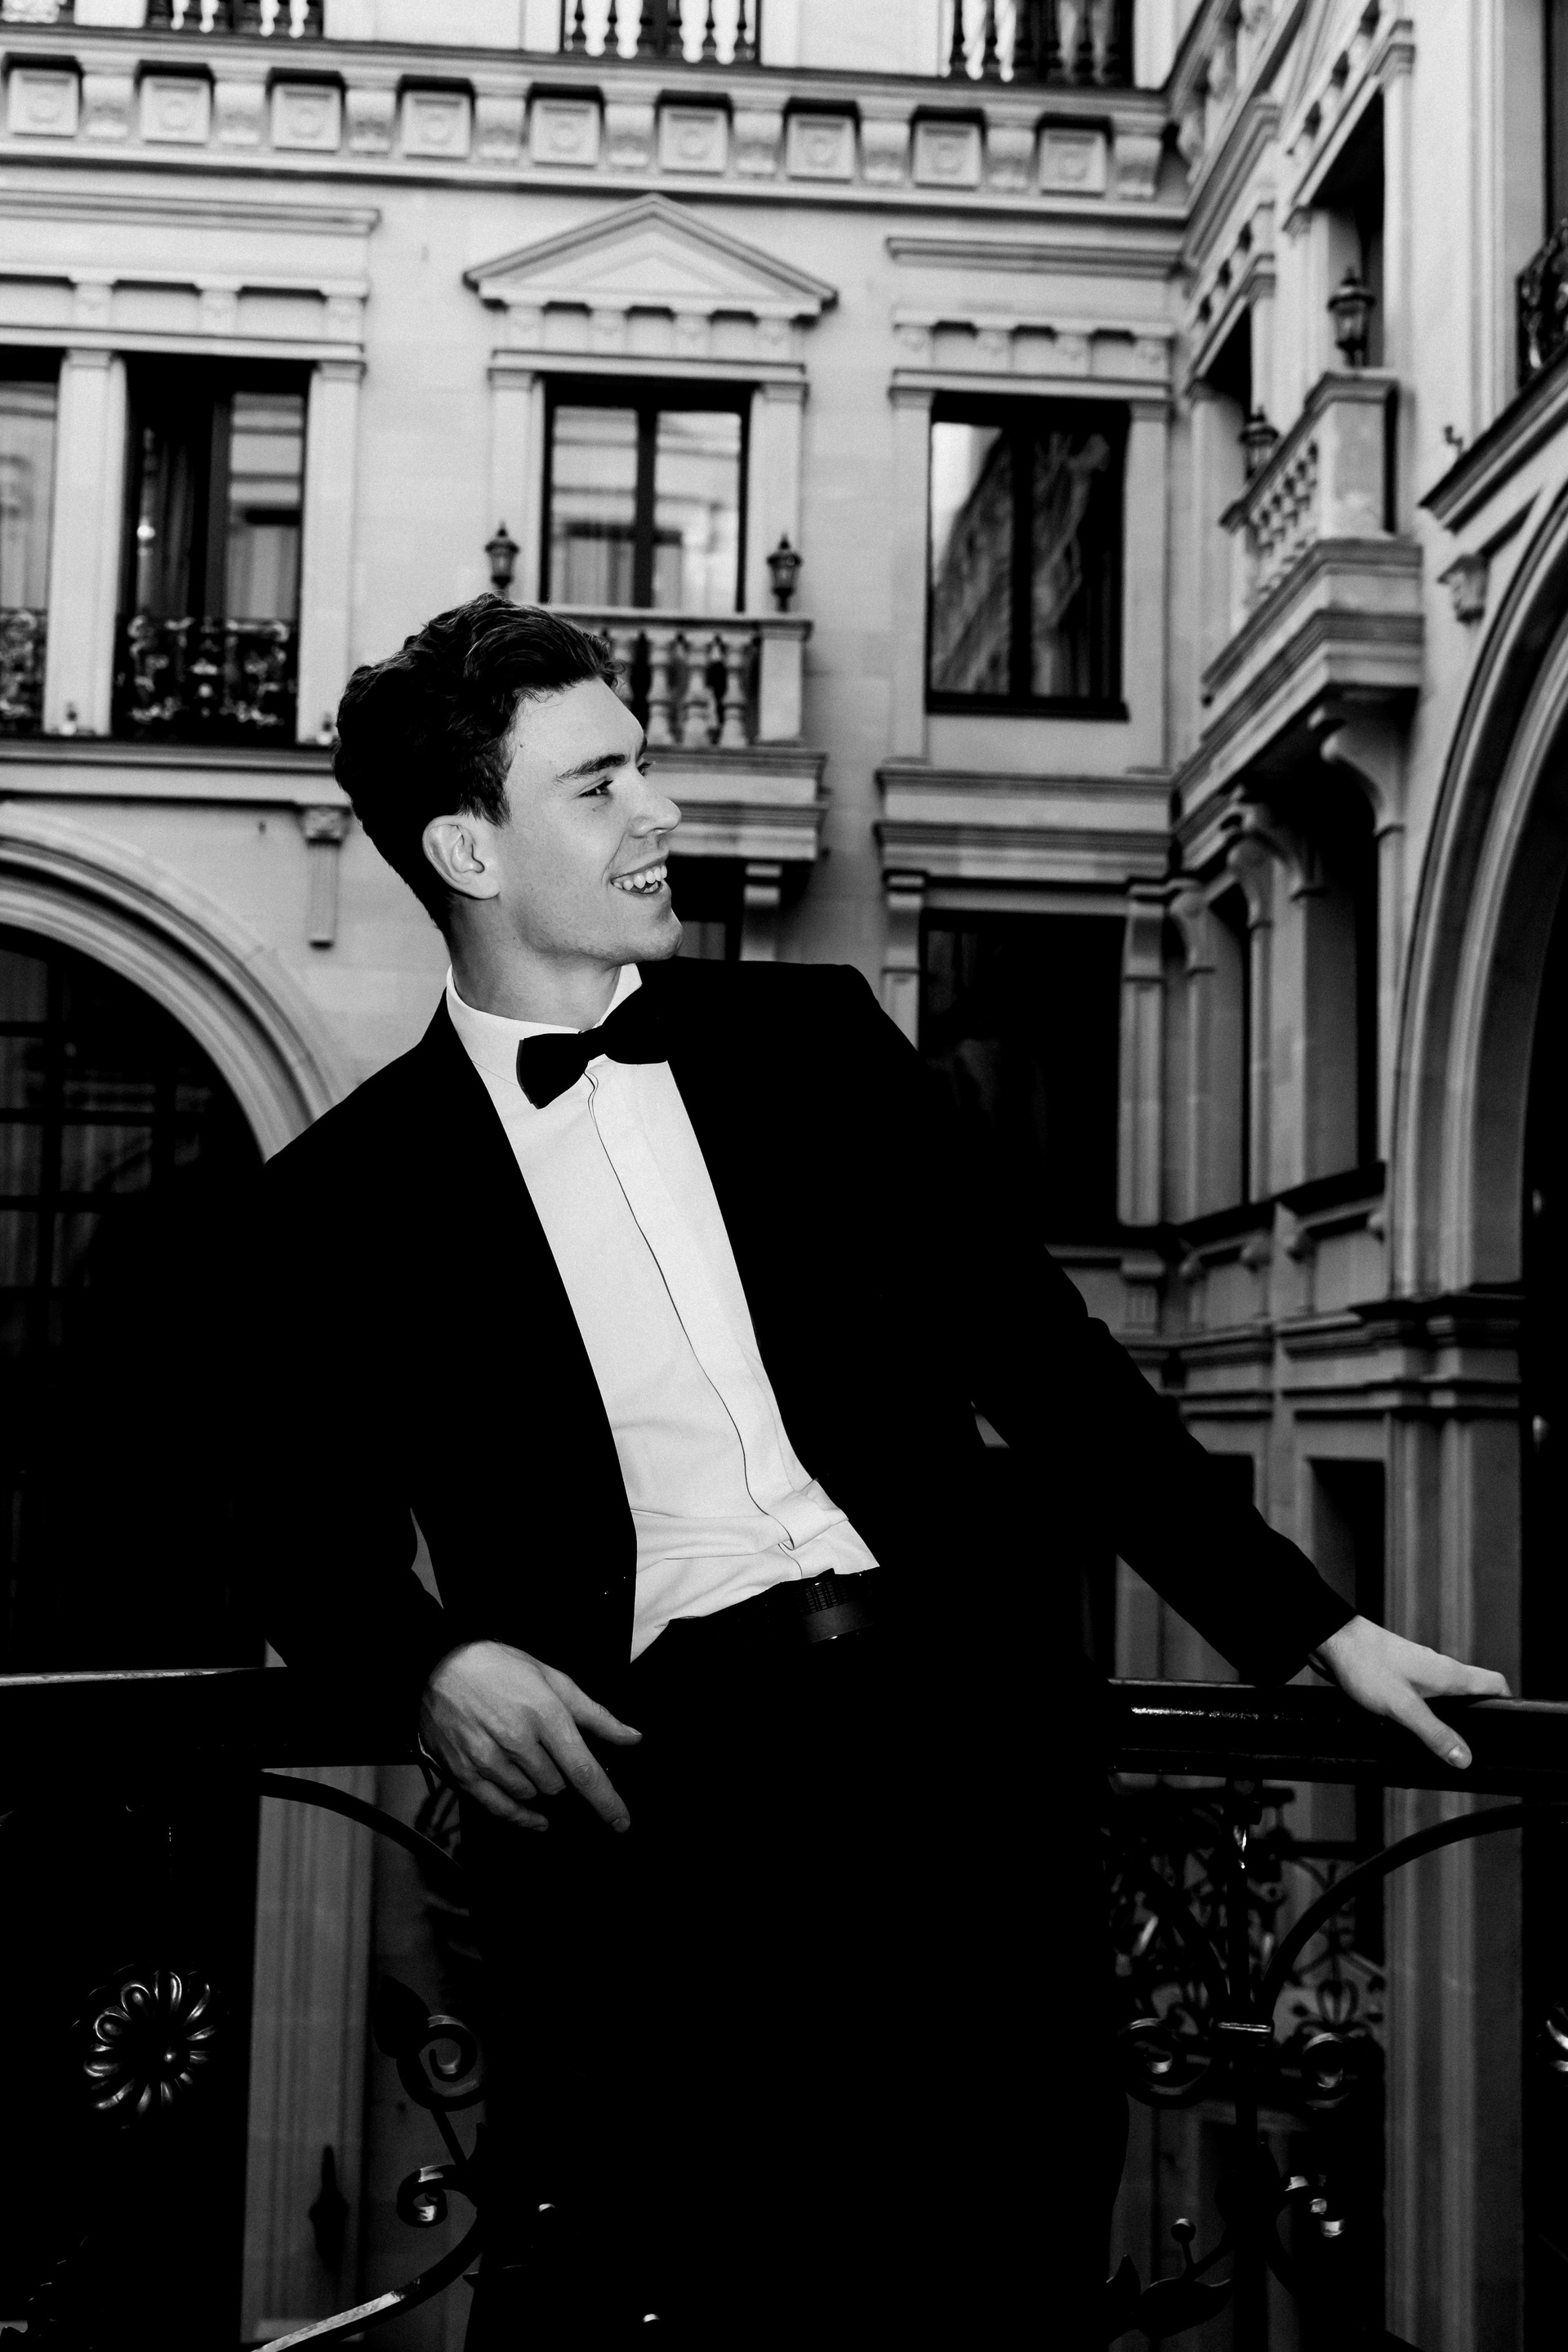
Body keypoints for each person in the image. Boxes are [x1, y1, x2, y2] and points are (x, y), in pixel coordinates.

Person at [243, 595, 1508, 2347]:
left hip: (964, 1758)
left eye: (644, 767)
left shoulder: (817, 1039)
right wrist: (430, 1662)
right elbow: (288, 1532)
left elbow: (1048, 1364)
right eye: (601, 784)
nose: (661, 809)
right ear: (468, 848)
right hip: (664, 1822)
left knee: (1005, 2282)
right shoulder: (339, 1203)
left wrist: (1312, 1627)